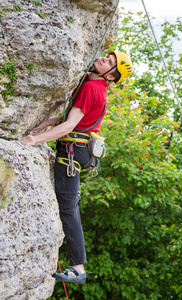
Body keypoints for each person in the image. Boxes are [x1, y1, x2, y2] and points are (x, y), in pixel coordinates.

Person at [20, 50, 132, 285]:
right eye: (107, 56)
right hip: (78, 151)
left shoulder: (93, 88)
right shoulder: (93, 85)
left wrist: (33, 140)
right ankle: (77, 266)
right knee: (69, 206)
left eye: (110, 62)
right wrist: (40, 127)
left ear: (111, 76)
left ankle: (78, 268)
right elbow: (66, 118)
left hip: (71, 153)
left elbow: (68, 126)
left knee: (69, 208)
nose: (104, 59)